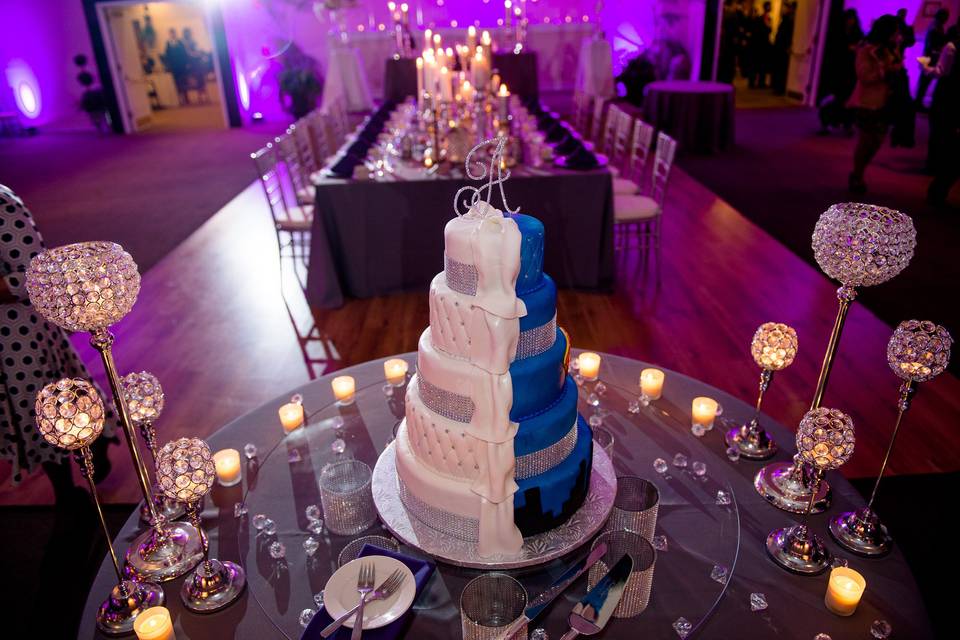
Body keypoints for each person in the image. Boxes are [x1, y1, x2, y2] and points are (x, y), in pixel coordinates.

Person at [0, 184, 117, 501]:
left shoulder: (3, 204)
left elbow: (32, 274)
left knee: (41, 407)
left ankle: (69, 495)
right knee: (29, 412)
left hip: (18, 335)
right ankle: (70, 488)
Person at [846, 15, 903, 193]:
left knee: (877, 141)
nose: (898, 35)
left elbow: (897, 69)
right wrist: (885, 71)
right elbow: (864, 76)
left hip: (887, 102)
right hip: (869, 102)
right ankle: (857, 174)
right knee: (866, 141)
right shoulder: (866, 50)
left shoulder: (891, 49)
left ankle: (858, 172)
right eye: (895, 31)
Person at [922, 25, 959, 205]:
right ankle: (936, 174)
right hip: (949, 95)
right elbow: (943, 72)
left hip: (948, 94)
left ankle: (935, 169)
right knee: (944, 133)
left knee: (942, 132)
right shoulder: (951, 47)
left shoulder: (952, 46)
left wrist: (925, 67)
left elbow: (941, 71)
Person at [890, 9, 916, 147]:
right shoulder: (894, 27)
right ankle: (899, 135)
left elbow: (910, 42)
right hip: (894, 68)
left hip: (899, 67)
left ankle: (900, 136)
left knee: (905, 104)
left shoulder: (905, 28)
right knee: (903, 103)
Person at [916, 8, 950, 109]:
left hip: (928, 56)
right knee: (924, 81)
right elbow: (933, 44)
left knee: (924, 81)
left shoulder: (935, 25)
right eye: (946, 17)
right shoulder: (936, 26)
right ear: (942, 16)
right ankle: (918, 103)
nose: (947, 19)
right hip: (929, 57)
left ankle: (918, 102)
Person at [771, 2, 796, 95]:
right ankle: (777, 87)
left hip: (783, 48)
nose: (783, 10)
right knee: (779, 68)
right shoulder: (786, 19)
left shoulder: (789, 20)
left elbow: (787, 35)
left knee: (781, 69)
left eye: (785, 8)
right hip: (780, 47)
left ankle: (779, 88)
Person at [749, 3, 774, 88]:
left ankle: (760, 82)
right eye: (770, 7)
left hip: (762, 45)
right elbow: (764, 31)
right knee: (757, 64)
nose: (771, 8)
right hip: (759, 45)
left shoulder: (767, 18)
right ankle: (754, 82)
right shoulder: (761, 19)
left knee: (761, 64)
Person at [163, 28, 189, 105]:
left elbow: (184, 53)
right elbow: (167, 55)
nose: (172, 35)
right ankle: (179, 99)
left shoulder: (180, 42)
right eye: (171, 33)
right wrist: (168, 65)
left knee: (184, 81)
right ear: (169, 34)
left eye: (173, 33)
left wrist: (186, 63)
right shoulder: (168, 43)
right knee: (176, 83)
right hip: (174, 66)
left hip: (182, 65)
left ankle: (186, 98)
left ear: (175, 34)